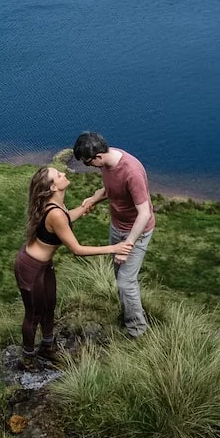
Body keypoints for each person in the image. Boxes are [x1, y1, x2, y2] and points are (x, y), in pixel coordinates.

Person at [15, 164, 123, 366]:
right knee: (34, 313)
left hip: (44, 266)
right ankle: (28, 358)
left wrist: (94, 199)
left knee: (50, 305)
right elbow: (77, 249)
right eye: (58, 174)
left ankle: (47, 347)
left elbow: (66, 218)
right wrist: (114, 248)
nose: (63, 173)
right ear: (53, 187)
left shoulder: (56, 205)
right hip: (30, 268)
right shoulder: (54, 212)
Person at [72, 131, 155, 338]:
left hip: (136, 232)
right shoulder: (108, 162)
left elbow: (144, 213)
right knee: (120, 278)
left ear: (98, 156)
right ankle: (129, 315)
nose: (88, 166)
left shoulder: (131, 171)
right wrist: (93, 198)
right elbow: (110, 188)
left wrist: (127, 245)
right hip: (117, 226)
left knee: (126, 282)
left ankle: (138, 332)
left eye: (88, 163)